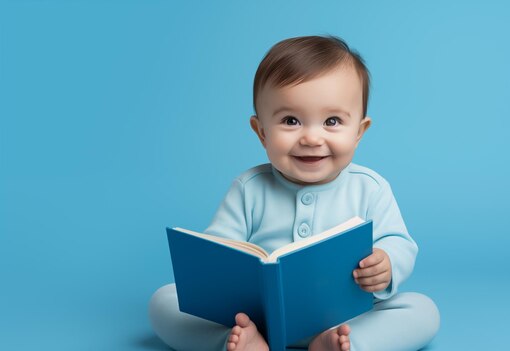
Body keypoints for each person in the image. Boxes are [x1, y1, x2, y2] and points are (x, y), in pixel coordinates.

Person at [149, 35, 440, 351]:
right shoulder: (249, 188)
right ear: (262, 132)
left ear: (359, 131)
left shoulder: (370, 188)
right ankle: (237, 343)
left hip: (345, 318)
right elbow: (218, 248)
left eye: (332, 121)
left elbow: (398, 242)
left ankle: (349, 345)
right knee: (164, 300)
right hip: (256, 320)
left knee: (422, 309)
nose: (312, 138)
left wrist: (386, 263)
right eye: (291, 121)